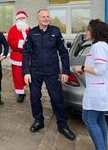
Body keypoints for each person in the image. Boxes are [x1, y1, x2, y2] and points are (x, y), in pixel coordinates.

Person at [22, 9, 75, 141]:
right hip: (35, 72)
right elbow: (26, 53)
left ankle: (62, 125)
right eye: (43, 17)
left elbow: (63, 52)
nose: (46, 18)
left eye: (48, 16)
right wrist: (26, 72)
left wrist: (65, 71)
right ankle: (38, 121)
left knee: (57, 99)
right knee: (34, 98)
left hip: (52, 72)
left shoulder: (55, 31)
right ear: (38, 19)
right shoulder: (32, 33)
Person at [73, 19, 108, 150]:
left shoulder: (98, 46)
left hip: (99, 91)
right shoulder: (102, 45)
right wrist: (86, 70)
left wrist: (82, 68)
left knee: (88, 119)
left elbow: (100, 69)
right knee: (99, 120)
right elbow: (98, 67)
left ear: (95, 32)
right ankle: (102, 147)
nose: (86, 32)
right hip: (100, 88)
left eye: (88, 29)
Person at [7, 10, 31, 102]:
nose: (22, 19)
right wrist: (23, 43)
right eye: (20, 18)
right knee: (17, 75)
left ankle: (33, 90)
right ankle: (20, 93)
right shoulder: (13, 29)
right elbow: (10, 41)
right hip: (17, 56)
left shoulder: (29, 29)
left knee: (30, 74)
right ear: (17, 19)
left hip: (29, 56)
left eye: (23, 18)